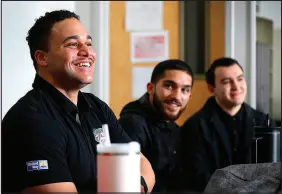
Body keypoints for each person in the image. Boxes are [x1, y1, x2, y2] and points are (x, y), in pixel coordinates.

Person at [2, 10, 155, 193]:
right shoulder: (32, 119)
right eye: (73, 44)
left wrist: (138, 187)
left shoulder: (97, 107)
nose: (87, 52)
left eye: (89, 43)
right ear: (42, 58)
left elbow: (141, 164)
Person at [181, 57, 276, 192]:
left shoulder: (265, 123)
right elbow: (198, 176)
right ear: (211, 88)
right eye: (226, 81)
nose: (236, 86)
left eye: (240, 79)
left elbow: (274, 171)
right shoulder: (194, 126)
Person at [119, 59, 194, 192]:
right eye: (169, 86)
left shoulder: (174, 128)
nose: (177, 96)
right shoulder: (132, 124)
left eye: (184, 90)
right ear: (151, 88)